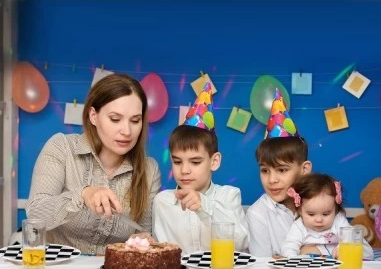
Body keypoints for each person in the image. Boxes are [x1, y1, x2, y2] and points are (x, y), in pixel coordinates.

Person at [26, 73, 161, 255]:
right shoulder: (62, 148)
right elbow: (36, 213)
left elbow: (143, 232)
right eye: (115, 119)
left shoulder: (149, 170)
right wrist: (82, 195)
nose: (127, 131)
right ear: (93, 116)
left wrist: (142, 241)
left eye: (135, 121)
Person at [152, 82, 248, 255]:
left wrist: (204, 206)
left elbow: (241, 244)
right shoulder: (162, 202)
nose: (185, 170)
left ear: (214, 161)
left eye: (195, 162)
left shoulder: (229, 195)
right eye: (177, 161)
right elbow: (162, 251)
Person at [246, 88, 312, 257]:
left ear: (304, 169)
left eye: (282, 170)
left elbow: (365, 251)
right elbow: (263, 268)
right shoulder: (258, 214)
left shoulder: (323, 199)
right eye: (265, 171)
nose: (272, 180)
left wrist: (306, 251)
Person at [281, 173, 374, 260]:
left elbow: (354, 240)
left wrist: (342, 248)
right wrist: (292, 258)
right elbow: (289, 246)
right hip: (311, 268)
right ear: (300, 211)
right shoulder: (299, 226)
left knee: (358, 246)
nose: (319, 220)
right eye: (311, 214)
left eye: (326, 214)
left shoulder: (338, 221)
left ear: (335, 210)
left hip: (337, 267)